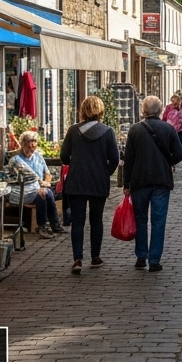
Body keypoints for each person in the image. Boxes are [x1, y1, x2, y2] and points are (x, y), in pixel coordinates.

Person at [123, 96, 182, 271]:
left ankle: (141, 256)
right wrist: (168, 162)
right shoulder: (168, 128)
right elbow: (180, 154)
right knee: (158, 221)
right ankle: (154, 260)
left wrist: (126, 183)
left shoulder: (135, 130)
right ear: (159, 110)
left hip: (139, 181)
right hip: (161, 180)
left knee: (140, 219)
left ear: (143, 110)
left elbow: (128, 159)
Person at [60, 95, 119, 275]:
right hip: (98, 182)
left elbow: (64, 156)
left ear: (83, 110)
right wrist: (103, 173)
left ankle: (77, 258)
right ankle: (95, 257)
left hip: (76, 181)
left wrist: (76, 164)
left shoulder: (73, 130)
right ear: (101, 111)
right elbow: (115, 159)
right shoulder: (108, 132)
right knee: (96, 220)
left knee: (77, 221)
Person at [9, 131, 64, 238]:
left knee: (45, 192)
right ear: (23, 144)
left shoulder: (38, 157)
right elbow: (30, 176)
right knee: (44, 194)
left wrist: (44, 184)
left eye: (35, 141)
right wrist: (41, 185)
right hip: (22, 191)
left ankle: (48, 225)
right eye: (30, 142)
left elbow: (47, 173)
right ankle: (48, 225)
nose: (33, 145)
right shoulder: (16, 160)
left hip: (38, 188)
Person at [162, 93, 182, 174]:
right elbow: (164, 118)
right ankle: (173, 165)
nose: (173, 104)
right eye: (172, 102)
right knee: (172, 149)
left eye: (175, 102)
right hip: (171, 131)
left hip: (180, 131)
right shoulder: (169, 107)